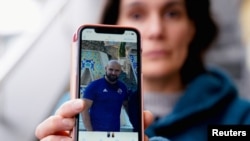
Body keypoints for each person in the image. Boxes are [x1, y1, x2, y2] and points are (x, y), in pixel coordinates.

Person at [35, 0, 250, 141]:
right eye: (137, 15)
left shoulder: (239, 118)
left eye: (172, 13)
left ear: (193, 28)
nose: (156, 30)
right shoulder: (71, 111)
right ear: (114, 25)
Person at [81, 59, 129, 131]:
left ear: (120, 72)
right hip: (96, 133)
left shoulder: (123, 87)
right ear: (106, 68)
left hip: (114, 133)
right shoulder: (94, 86)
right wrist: (90, 131)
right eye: (111, 69)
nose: (113, 73)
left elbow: (127, 106)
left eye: (117, 71)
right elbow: (84, 109)